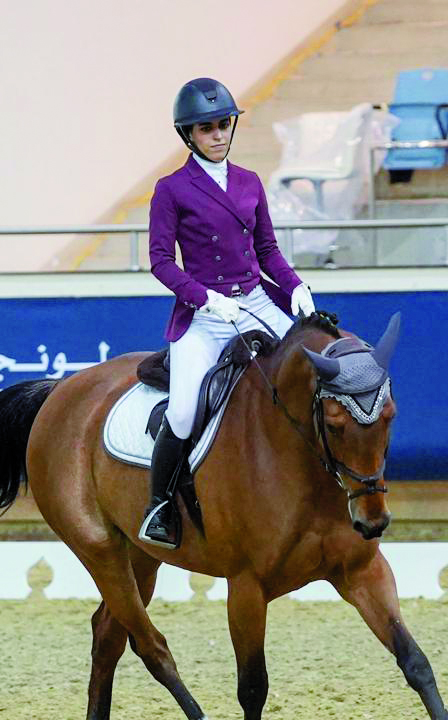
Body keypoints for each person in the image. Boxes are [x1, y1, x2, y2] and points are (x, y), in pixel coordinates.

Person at [139, 77, 315, 549]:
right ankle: (159, 506)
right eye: (206, 128)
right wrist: (203, 297)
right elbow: (159, 262)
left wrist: (295, 285)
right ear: (188, 135)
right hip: (205, 314)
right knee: (181, 413)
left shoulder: (250, 182)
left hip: (257, 301)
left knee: (314, 371)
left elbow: (268, 250)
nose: (218, 135)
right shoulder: (172, 189)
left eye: (223, 125)